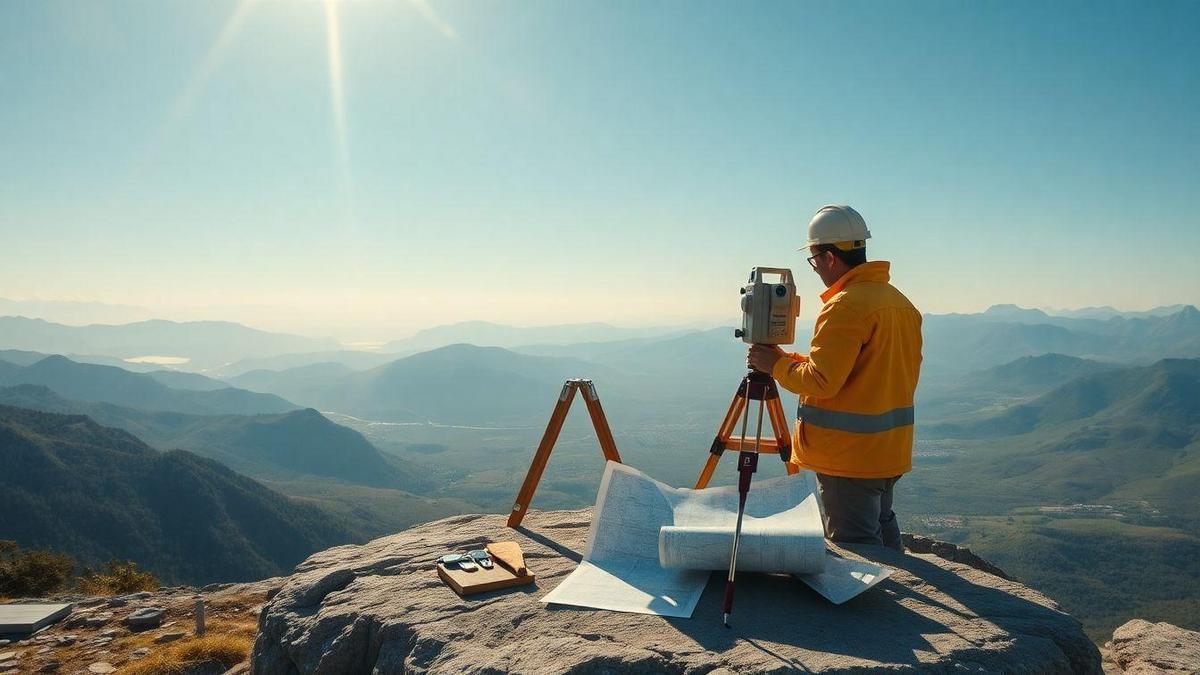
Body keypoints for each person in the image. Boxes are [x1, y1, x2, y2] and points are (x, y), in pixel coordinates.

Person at [747, 204, 922, 552]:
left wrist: (775, 367)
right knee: (882, 525)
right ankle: (901, 582)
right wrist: (786, 360)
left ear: (829, 258)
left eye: (813, 261)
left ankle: (877, 607)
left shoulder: (845, 305)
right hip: (888, 449)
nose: (815, 271)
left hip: (850, 457)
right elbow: (860, 371)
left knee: (858, 547)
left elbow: (821, 381)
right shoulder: (898, 302)